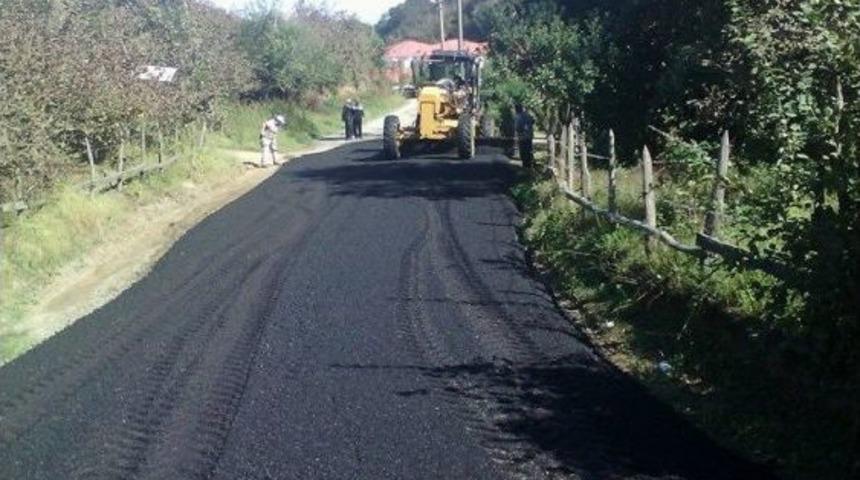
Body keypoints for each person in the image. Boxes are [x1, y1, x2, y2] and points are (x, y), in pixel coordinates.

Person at [514, 104, 535, 170]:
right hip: (529, 136)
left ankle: (525, 165)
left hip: (522, 137)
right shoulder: (528, 115)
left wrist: (519, 131)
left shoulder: (518, 117)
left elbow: (517, 128)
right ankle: (529, 164)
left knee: (523, 151)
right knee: (529, 150)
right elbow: (533, 121)